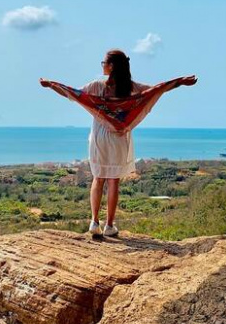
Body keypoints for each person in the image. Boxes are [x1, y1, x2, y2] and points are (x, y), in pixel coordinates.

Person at [40, 49, 197, 237]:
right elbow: (158, 89)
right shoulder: (131, 87)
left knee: (98, 178)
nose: (102, 65)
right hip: (119, 138)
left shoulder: (97, 86)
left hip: (99, 137)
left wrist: (51, 85)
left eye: (103, 62)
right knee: (114, 180)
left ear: (111, 65)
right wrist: (180, 82)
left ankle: (94, 222)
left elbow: (72, 94)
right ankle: (109, 226)